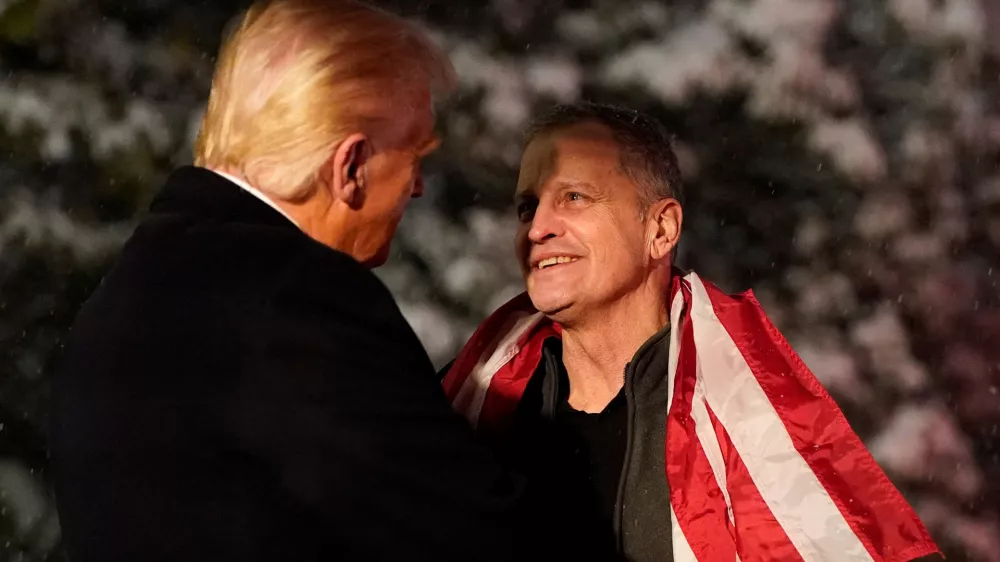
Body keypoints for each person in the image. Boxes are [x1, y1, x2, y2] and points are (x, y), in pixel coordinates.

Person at [50, 2, 533, 561]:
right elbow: (475, 537)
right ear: (350, 166)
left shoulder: (134, 284)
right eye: (414, 155)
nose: (418, 188)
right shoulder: (297, 298)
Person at [441, 103, 943, 562]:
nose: (537, 228)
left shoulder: (750, 416)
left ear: (660, 230)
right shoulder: (470, 400)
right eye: (527, 207)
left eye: (573, 197)